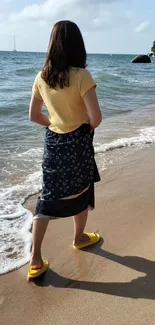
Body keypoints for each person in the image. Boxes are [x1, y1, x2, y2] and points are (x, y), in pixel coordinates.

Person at [28, 20, 102, 280]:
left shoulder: (42, 76)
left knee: (47, 198)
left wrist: (54, 124)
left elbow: (33, 115)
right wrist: (78, 126)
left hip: (54, 143)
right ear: (78, 46)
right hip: (79, 141)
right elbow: (96, 119)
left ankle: (35, 260)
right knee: (83, 187)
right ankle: (79, 237)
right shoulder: (82, 76)